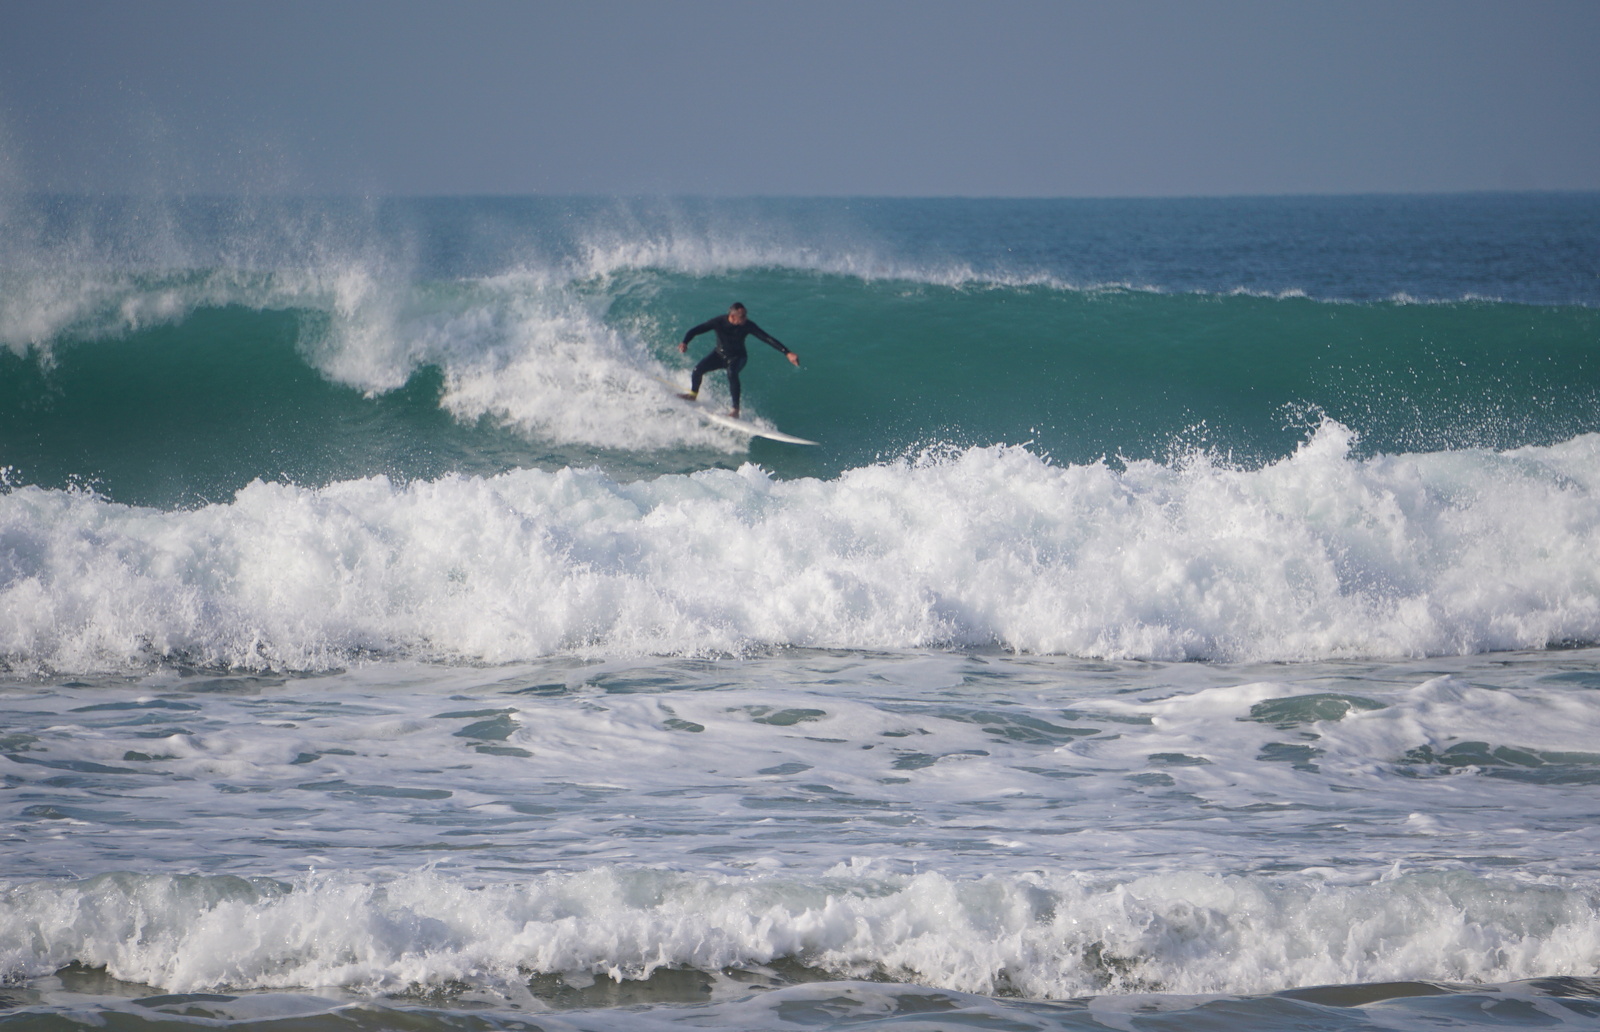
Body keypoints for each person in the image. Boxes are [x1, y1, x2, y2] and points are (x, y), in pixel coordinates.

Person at [678, 302, 800, 418]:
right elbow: (695, 330)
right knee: (697, 370)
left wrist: (787, 352)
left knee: (732, 373)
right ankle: (693, 395)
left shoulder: (747, 325)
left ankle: (735, 410)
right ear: (732, 316)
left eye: (746, 315)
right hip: (719, 355)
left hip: (738, 357)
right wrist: (685, 342)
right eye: (742, 316)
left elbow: (767, 338)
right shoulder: (718, 322)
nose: (745, 318)